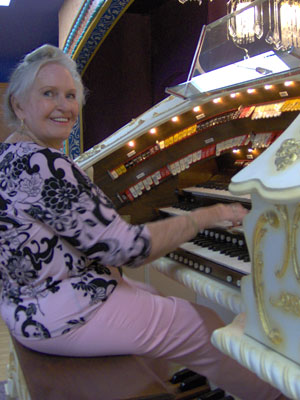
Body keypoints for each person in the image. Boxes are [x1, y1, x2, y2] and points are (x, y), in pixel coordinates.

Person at [0, 44, 287, 400]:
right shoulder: (46, 165)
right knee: (204, 325)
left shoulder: (10, 155)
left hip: (27, 308)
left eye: (70, 95)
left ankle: (159, 387)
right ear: (18, 105)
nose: (64, 106)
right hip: (64, 314)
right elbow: (128, 247)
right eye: (48, 94)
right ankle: (276, 396)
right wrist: (209, 215)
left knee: (153, 296)